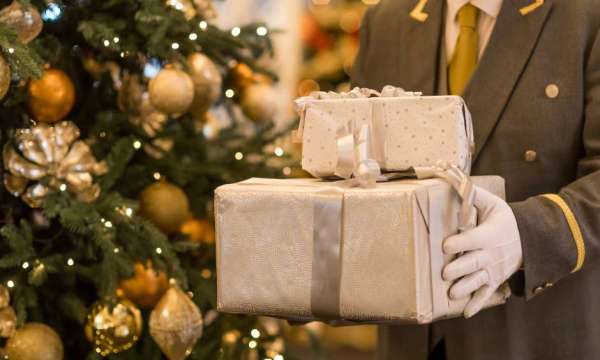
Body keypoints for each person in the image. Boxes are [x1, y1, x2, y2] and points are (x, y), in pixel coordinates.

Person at [351, 0, 600, 359]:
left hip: (536, 336)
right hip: (410, 340)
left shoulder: (586, 13)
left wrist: (527, 235)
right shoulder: (386, 22)